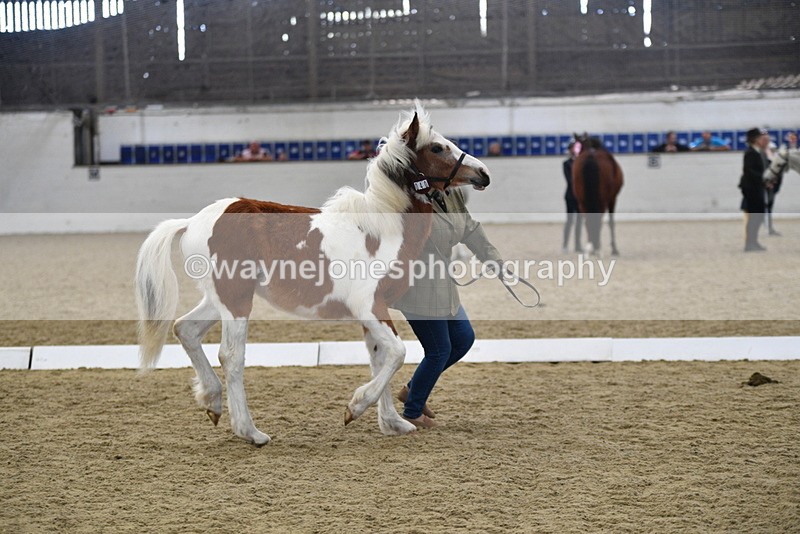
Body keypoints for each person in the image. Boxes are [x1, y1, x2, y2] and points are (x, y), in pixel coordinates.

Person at [392, 186, 503, 429]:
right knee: (439, 349)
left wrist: (492, 258)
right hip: (417, 286)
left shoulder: (451, 194)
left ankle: (412, 391)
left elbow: (469, 227)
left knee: (463, 339)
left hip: (443, 284)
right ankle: (412, 411)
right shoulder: (408, 198)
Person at [739, 128, 770, 252]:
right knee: (754, 217)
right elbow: (750, 172)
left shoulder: (759, 152)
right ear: (754, 139)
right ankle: (749, 243)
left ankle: (754, 241)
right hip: (752, 189)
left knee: (759, 216)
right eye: (759, 137)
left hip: (758, 188)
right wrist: (764, 179)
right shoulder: (750, 153)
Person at [764, 131, 797, 236]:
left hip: (775, 184)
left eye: (774, 149)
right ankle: (768, 227)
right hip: (770, 184)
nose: (773, 151)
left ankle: (769, 227)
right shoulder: (768, 160)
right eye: (771, 149)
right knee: (768, 204)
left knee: (769, 204)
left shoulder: (776, 159)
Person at [562, 141, 582, 252]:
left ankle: (577, 245)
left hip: (579, 196)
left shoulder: (581, 163)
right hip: (570, 196)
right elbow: (570, 180)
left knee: (579, 221)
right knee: (570, 221)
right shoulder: (566, 164)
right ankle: (565, 244)